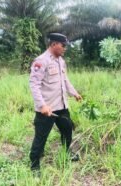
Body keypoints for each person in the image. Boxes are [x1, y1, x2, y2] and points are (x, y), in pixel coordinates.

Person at [29, 33, 82, 173]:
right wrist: (42, 105)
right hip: (47, 109)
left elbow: (65, 80)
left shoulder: (61, 61)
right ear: (53, 44)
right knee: (41, 137)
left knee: (67, 129)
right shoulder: (41, 61)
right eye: (63, 45)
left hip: (62, 106)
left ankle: (66, 153)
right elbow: (34, 85)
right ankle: (34, 165)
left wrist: (74, 93)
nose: (65, 48)